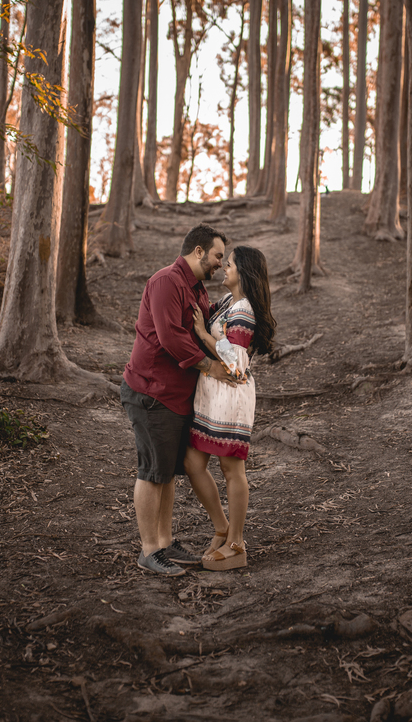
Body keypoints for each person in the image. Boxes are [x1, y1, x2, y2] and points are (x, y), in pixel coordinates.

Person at [121, 225, 239, 576]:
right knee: (152, 472)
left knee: (168, 473)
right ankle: (148, 550)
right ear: (198, 251)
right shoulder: (166, 282)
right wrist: (210, 367)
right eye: (217, 256)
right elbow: (171, 337)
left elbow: (206, 324)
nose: (220, 263)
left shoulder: (196, 287)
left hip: (176, 397)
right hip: (152, 392)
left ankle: (165, 542)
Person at [184, 245, 276, 571]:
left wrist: (200, 333)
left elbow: (235, 362)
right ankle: (222, 528)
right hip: (212, 396)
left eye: (231, 264)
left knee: (231, 470)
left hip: (232, 397)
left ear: (244, 273)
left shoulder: (244, 311)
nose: (225, 267)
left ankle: (236, 543)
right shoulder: (227, 302)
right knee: (193, 463)